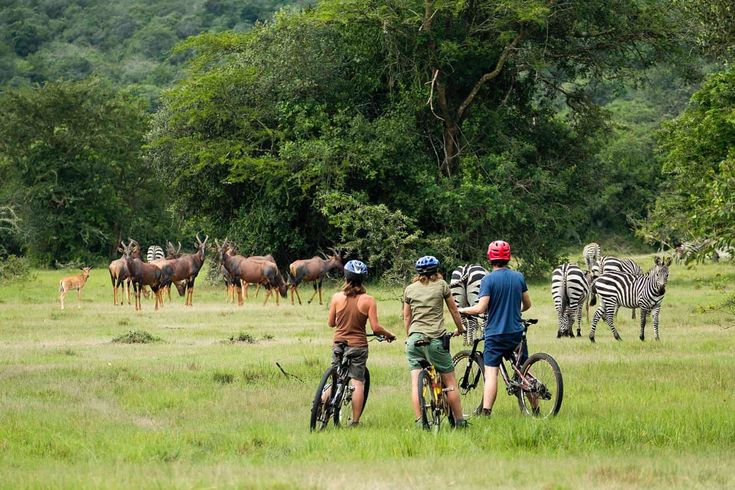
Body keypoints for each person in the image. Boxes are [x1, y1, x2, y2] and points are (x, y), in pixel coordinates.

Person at [458, 240, 532, 417]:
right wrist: (514, 310)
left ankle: (486, 412)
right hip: (516, 333)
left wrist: (461, 309)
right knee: (525, 370)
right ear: (508, 257)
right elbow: (527, 304)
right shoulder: (518, 277)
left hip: (495, 335)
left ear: (490, 258)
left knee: (491, 374)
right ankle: (535, 410)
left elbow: (480, 308)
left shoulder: (488, 280)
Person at [327, 259, 396, 427]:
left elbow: (331, 323)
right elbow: (376, 327)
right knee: (357, 382)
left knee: (335, 378)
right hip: (357, 346)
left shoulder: (336, 297)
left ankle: (319, 405)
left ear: (346, 277)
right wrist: (389, 335)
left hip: (339, 343)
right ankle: (355, 422)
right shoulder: (369, 300)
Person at [403, 255, 467, 429]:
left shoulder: (409, 289)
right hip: (435, 340)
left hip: (414, 340)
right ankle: (460, 421)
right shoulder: (442, 285)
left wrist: (408, 336)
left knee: (416, 383)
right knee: (450, 382)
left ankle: (419, 423)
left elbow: (407, 316)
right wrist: (460, 329)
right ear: (437, 270)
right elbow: (454, 310)